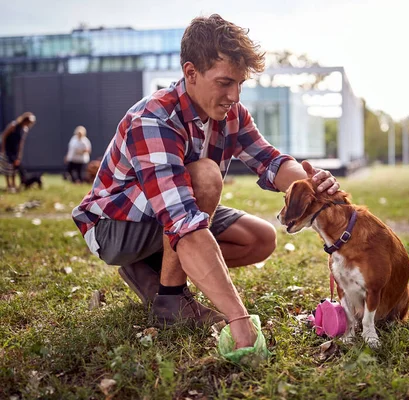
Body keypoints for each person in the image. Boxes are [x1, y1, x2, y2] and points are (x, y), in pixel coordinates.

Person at [72, 14, 340, 350]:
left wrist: (313, 184)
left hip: (167, 213)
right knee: (205, 175)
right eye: (225, 82)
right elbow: (183, 221)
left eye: (240, 84)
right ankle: (170, 299)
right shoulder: (153, 118)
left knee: (259, 239)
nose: (234, 95)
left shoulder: (232, 114)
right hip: (117, 227)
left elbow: (270, 161)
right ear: (190, 73)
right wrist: (238, 318)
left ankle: (149, 267)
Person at [0, 112, 36, 193]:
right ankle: (8, 185)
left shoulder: (24, 130)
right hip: (7, 148)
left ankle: (13, 185)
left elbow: (21, 143)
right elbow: (4, 136)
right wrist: (2, 149)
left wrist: (19, 155)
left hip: (14, 149)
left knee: (14, 168)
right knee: (7, 167)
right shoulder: (14, 125)